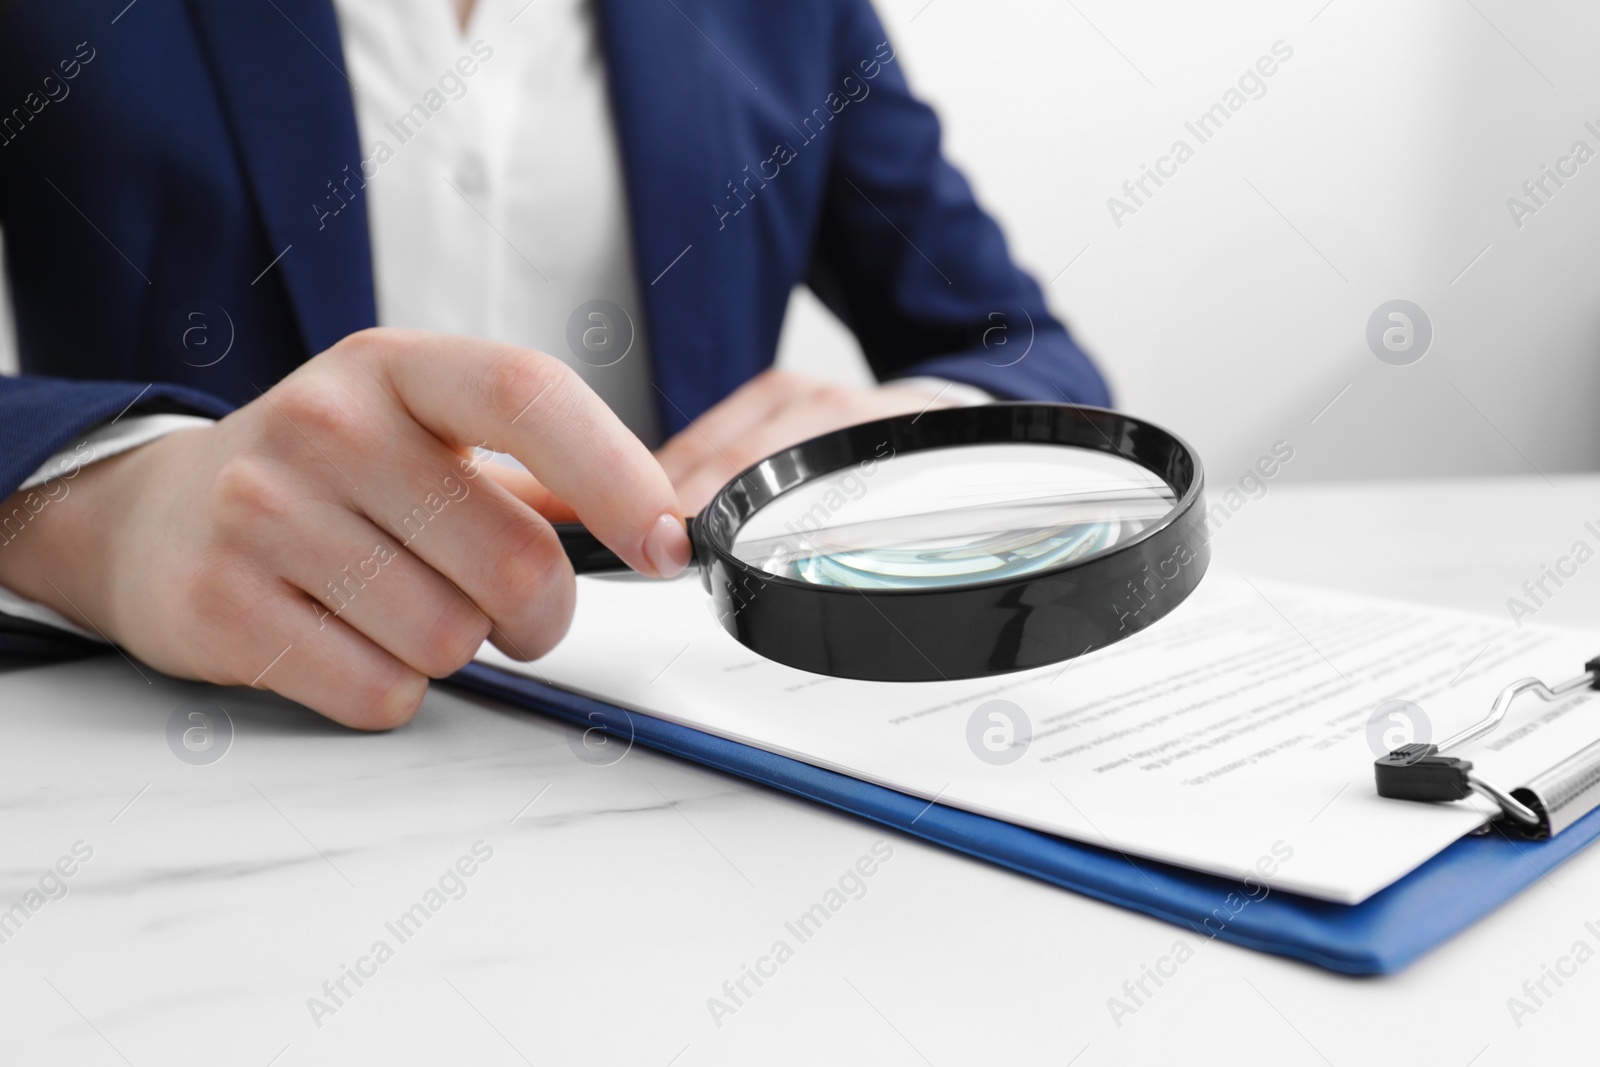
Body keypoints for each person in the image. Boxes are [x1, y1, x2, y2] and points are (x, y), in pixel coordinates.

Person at [0, 0, 1109, 728]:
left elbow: (1022, 351)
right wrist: (98, 505)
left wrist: (891, 435)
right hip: (212, 753)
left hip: (691, 757)